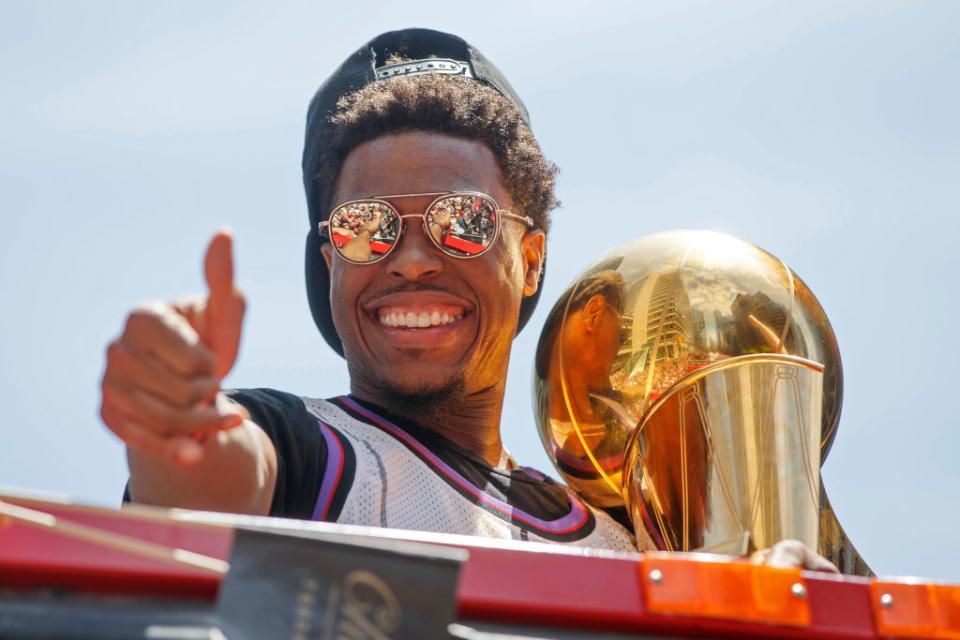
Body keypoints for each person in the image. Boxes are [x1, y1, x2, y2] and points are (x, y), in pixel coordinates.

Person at [100, 28, 835, 569]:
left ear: (531, 258)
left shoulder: (628, 544)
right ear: (330, 262)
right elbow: (207, 485)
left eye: (463, 222)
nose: (412, 261)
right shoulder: (307, 452)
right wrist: (177, 429)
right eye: (367, 228)